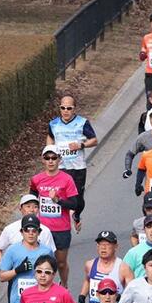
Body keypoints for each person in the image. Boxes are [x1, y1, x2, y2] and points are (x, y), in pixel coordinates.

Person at [45, 95, 96, 233]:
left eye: (69, 108)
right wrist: (49, 150)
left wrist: (81, 145)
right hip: (60, 167)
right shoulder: (54, 124)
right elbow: (50, 136)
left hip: (77, 167)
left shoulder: (82, 123)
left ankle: (76, 215)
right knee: (60, 196)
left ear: (74, 109)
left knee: (78, 200)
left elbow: (94, 140)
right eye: (63, 108)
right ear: (60, 108)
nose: (65, 111)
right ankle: (60, 224)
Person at [30, 145, 79, 287]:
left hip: (61, 229)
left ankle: (64, 285)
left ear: (59, 159)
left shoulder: (67, 179)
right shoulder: (36, 179)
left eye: (54, 158)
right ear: (43, 160)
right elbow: (32, 196)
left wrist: (58, 200)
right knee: (41, 263)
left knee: (61, 263)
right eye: (47, 158)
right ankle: (42, 288)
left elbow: (74, 203)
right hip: (43, 229)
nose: (50, 161)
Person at [77, 230, 134, 303]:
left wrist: (118, 297)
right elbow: (88, 280)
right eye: (101, 244)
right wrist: (82, 295)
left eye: (107, 244)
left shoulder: (123, 268)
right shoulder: (90, 264)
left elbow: (132, 292)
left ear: (116, 246)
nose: (103, 247)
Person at [0, 195, 56, 263]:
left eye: (35, 207)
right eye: (28, 206)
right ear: (20, 208)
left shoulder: (45, 231)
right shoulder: (10, 229)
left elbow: (50, 254)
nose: (32, 210)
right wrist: (5, 267)